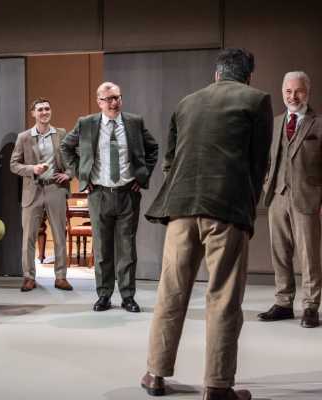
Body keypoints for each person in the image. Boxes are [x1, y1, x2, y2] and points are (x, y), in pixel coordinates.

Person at [141, 49, 273, 400]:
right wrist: (246, 207)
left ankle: (155, 374)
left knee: (170, 292)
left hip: (180, 209)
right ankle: (216, 385)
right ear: (247, 76)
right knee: (223, 298)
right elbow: (259, 163)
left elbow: (170, 161)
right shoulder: (257, 100)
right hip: (226, 210)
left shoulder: (186, 102)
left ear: (216, 75)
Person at [61, 82, 158, 312]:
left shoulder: (134, 122)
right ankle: (104, 295)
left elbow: (152, 148)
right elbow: (66, 148)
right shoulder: (86, 124)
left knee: (127, 248)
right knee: (103, 249)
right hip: (99, 195)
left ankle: (127, 296)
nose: (114, 103)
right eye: (108, 99)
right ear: (99, 102)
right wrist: (81, 174)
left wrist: (141, 177)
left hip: (128, 195)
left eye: (117, 98)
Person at [258, 72, 322, 328]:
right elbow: (266, 159)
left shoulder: (318, 124)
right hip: (277, 196)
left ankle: (310, 306)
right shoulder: (275, 123)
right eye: (288, 91)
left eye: (298, 91)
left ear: (308, 91)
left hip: (308, 197)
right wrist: (266, 186)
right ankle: (284, 302)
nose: (293, 96)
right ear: (282, 91)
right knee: (280, 253)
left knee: (309, 255)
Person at [10, 98, 73, 292]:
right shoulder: (24, 137)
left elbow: (72, 158)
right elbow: (14, 164)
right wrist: (32, 168)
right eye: (40, 109)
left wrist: (69, 174)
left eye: (47, 108)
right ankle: (29, 277)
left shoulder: (61, 133)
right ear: (33, 113)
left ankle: (61, 277)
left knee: (59, 235)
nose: (44, 112)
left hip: (55, 188)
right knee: (28, 236)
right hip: (33, 191)